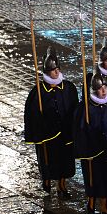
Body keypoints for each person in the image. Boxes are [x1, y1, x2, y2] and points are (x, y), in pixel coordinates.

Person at [24, 46, 77, 198]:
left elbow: (73, 107)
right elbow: (32, 113)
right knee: (49, 160)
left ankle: (62, 185)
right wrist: (39, 121)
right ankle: (47, 179)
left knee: (64, 161)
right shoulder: (38, 93)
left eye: (57, 69)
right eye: (53, 70)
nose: (56, 72)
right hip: (48, 134)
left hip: (65, 133)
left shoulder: (68, 88)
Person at [73, 65, 107, 214]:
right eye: (100, 88)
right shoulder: (85, 108)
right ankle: (91, 200)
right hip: (93, 150)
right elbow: (80, 130)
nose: (104, 90)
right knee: (94, 177)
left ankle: (105, 204)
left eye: (105, 86)